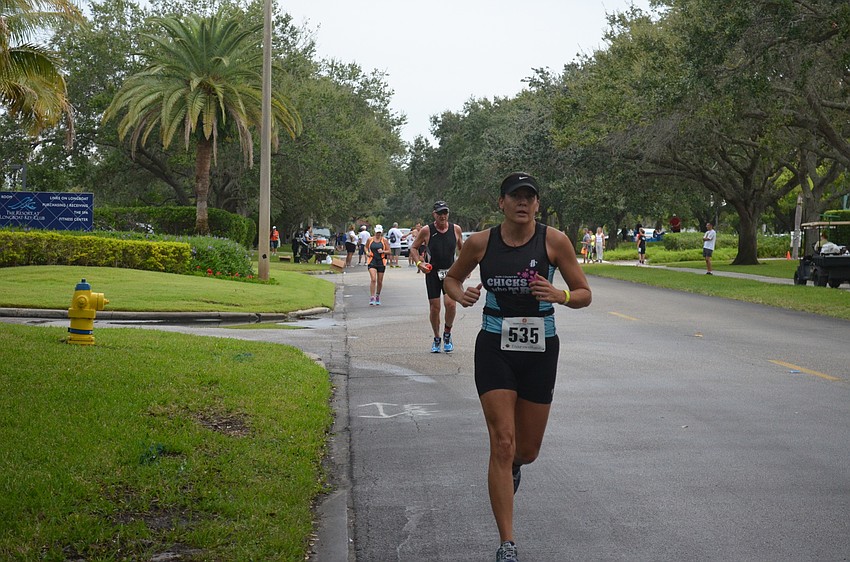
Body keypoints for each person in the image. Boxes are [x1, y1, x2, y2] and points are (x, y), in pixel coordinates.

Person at [443, 172, 591, 562]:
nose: (523, 203)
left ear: (537, 205)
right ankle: (507, 544)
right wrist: (464, 294)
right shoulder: (481, 242)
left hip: (541, 349)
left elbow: (584, 293)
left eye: (530, 197)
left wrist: (559, 294)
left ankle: (515, 467)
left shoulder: (554, 241)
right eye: (515, 196)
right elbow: (452, 281)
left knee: (526, 449)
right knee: (502, 442)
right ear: (502, 203)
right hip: (495, 346)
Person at [409, 201, 464, 353]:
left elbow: (462, 249)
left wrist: (463, 267)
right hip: (432, 273)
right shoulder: (427, 230)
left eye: (445, 213)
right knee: (435, 308)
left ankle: (447, 332)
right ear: (434, 214)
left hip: (450, 274)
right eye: (439, 213)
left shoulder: (456, 229)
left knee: (451, 304)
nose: (443, 216)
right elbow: (414, 247)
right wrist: (420, 263)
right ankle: (436, 337)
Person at [366, 225, 390, 305]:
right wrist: (367, 253)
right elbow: (365, 248)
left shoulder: (384, 240)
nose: (378, 234)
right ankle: (372, 297)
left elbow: (389, 251)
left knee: (380, 281)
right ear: (374, 232)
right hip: (372, 260)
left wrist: (383, 251)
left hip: (381, 261)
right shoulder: (370, 239)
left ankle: (377, 295)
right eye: (377, 232)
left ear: (381, 232)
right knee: (373, 279)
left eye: (379, 232)